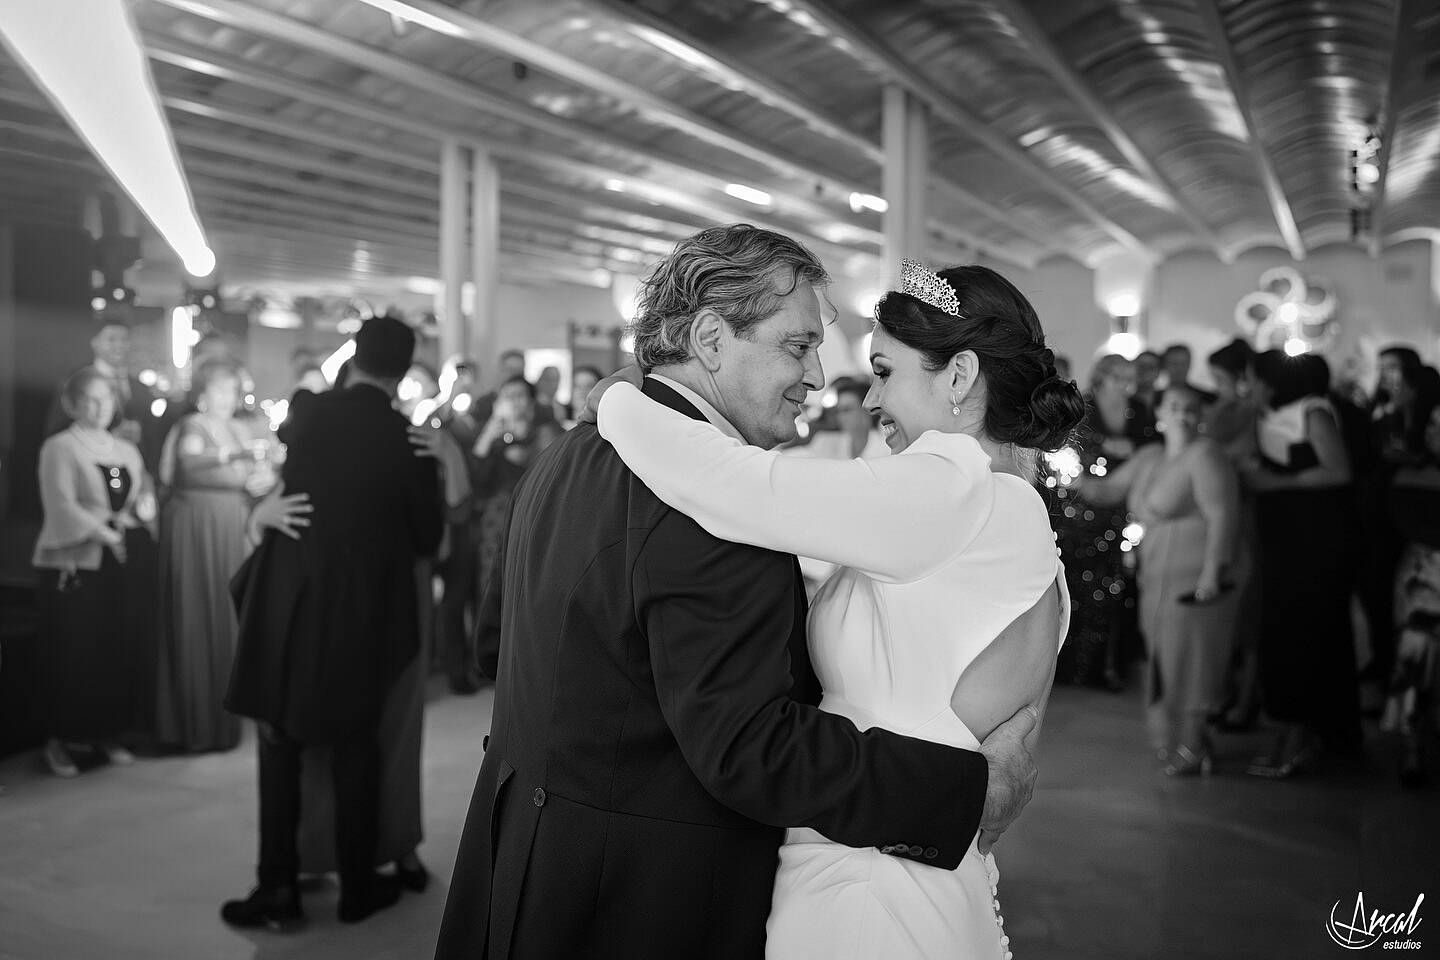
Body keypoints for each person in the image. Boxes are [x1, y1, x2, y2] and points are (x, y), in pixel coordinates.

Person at [434, 227, 1049, 960]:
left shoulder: (569, 454)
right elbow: (749, 748)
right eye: (797, 346)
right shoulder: (714, 513)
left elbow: (499, 644)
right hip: (636, 897)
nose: (820, 376)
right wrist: (962, 791)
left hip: (526, 868)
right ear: (711, 338)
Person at [581, 253, 1083, 958]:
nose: (870, 403)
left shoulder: (961, 493)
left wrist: (617, 401)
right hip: (896, 858)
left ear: (961, 377)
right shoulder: (990, 512)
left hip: (872, 890)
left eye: (885, 373)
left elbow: (736, 488)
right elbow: (802, 534)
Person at [221, 315, 444, 929]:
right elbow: (427, 536)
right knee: (357, 748)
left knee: (281, 744)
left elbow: (283, 469)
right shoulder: (410, 442)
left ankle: (278, 889)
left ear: (354, 357)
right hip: (368, 614)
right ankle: (357, 887)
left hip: (294, 601)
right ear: (403, 372)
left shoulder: (309, 412)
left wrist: (264, 514)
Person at [1081, 386, 1241, 774]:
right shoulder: (1151, 456)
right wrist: (1069, 475)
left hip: (1192, 579)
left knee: (1191, 660)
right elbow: (1108, 490)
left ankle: (1193, 743)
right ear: (1160, 414)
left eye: (1190, 408)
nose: (1182, 414)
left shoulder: (1205, 456)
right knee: (1163, 658)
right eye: (1174, 407)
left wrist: (1212, 573)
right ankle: (1176, 741)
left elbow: (1223, 516)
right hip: (1156, 577)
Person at [1242, 350, 1360, 776]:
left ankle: (1307, 735)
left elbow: (1338, 470)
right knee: (1282, 628)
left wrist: (1274, 482)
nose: (1248, 386)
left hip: (1314, 540)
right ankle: (1289, 730)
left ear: (1272, 382)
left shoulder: (1312, 412)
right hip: (1281, 539)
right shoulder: (1268, 414)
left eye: (1253, 379)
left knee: (1308, 629)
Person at [33, 370, 156, 776]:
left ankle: (106, 733)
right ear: (72, 405)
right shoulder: (60, 447)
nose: (100, 408)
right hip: (75, 563)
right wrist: (104, 532)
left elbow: (140, 494)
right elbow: (61, 505)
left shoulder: (125, 449)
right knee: (72, 653)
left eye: (106, 400)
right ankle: (58, 739)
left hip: (119, 565)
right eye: (89, 400)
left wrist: (144, 509)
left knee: (113, 649)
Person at [154, 361, 272, 753]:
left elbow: (261, 468)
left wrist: (261, 477)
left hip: (230, 524)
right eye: (221, 390)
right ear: (203, 393)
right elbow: (188, 466)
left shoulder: (240, 428)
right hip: (196, 526)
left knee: (226, 615)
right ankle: (193, 723)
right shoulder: (193, 426)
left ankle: (224, 719)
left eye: (232, 391)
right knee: (196, 612)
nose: (228, 398)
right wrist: (234, 455)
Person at [1053, 353, 1154, 690]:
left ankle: (1103, 667)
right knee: (1077, 588)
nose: (1127, 385)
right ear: (1102, 377)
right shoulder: (1084, 408)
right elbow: (1066, 447)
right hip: (1080, 509)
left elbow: (1151, 448)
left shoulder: (1139, 411)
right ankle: (1069, 668)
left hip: (1122, 510)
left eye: (1130, 378)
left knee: (1113, 588)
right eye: (1120, 377)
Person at [469, 375, 563, 642]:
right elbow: (477, 479)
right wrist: (490, 432)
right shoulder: (495, 439)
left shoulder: (547, 434)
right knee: (491, 589)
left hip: (534, 524)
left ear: (532, 402)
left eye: (519, 395)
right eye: (506, 395)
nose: (513, 401)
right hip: (495, 529)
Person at [1386, 405, 1440, 787]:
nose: (1436, 432)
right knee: (1415, 656)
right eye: (1434, 423)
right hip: (1422, 580)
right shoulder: (1410, 474)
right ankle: (1412, 748)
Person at [45, 318, 163, 476]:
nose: (119, 345)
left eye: (124, 339)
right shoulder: (76, 382)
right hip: (89, 472)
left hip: (134, 472)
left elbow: (154, 437)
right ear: (95, 342)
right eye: (112, 339)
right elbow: (57, 429)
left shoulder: (141, 388)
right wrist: (106, 436)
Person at [1134, 349, 1162, 414]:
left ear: (1158, 372)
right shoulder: (1125, 403)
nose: (1145, 371)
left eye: (1151, 367)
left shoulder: (1166, 402)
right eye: (1141, 366)